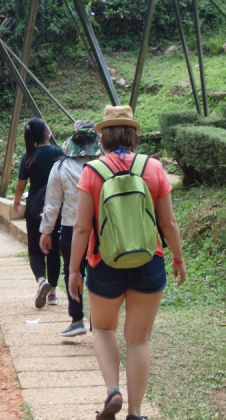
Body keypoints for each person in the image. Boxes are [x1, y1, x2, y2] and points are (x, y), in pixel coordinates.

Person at [68, 105, 186, 420]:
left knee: (103, 328)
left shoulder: (92, 171)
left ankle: (112, 391)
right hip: (149, 262)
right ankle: (135, 412)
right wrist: (178, 258)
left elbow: (81, 227)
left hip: (104, 263)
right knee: (138, 339)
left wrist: (73, 270)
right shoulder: (154, 168)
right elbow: (169, 222)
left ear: (103, 137)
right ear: (133, 134)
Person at [39, 120, 102, 338]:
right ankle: (98, 322)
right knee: (98, 273)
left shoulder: (61, 168)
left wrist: (46, 231)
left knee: (73, 271)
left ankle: (77, 319)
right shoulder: (103, 165)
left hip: (70, 229)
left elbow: (52, 204)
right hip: (99, 229)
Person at [13, 117, 65, 308]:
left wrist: (17, 201)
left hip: (35, 209)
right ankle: (52, 294)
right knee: (53, 251)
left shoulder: (28, 156)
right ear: (46, 133)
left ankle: (41, 281)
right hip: (56, 208)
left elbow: (21, 185)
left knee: (35, 250)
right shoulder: (57, 152)